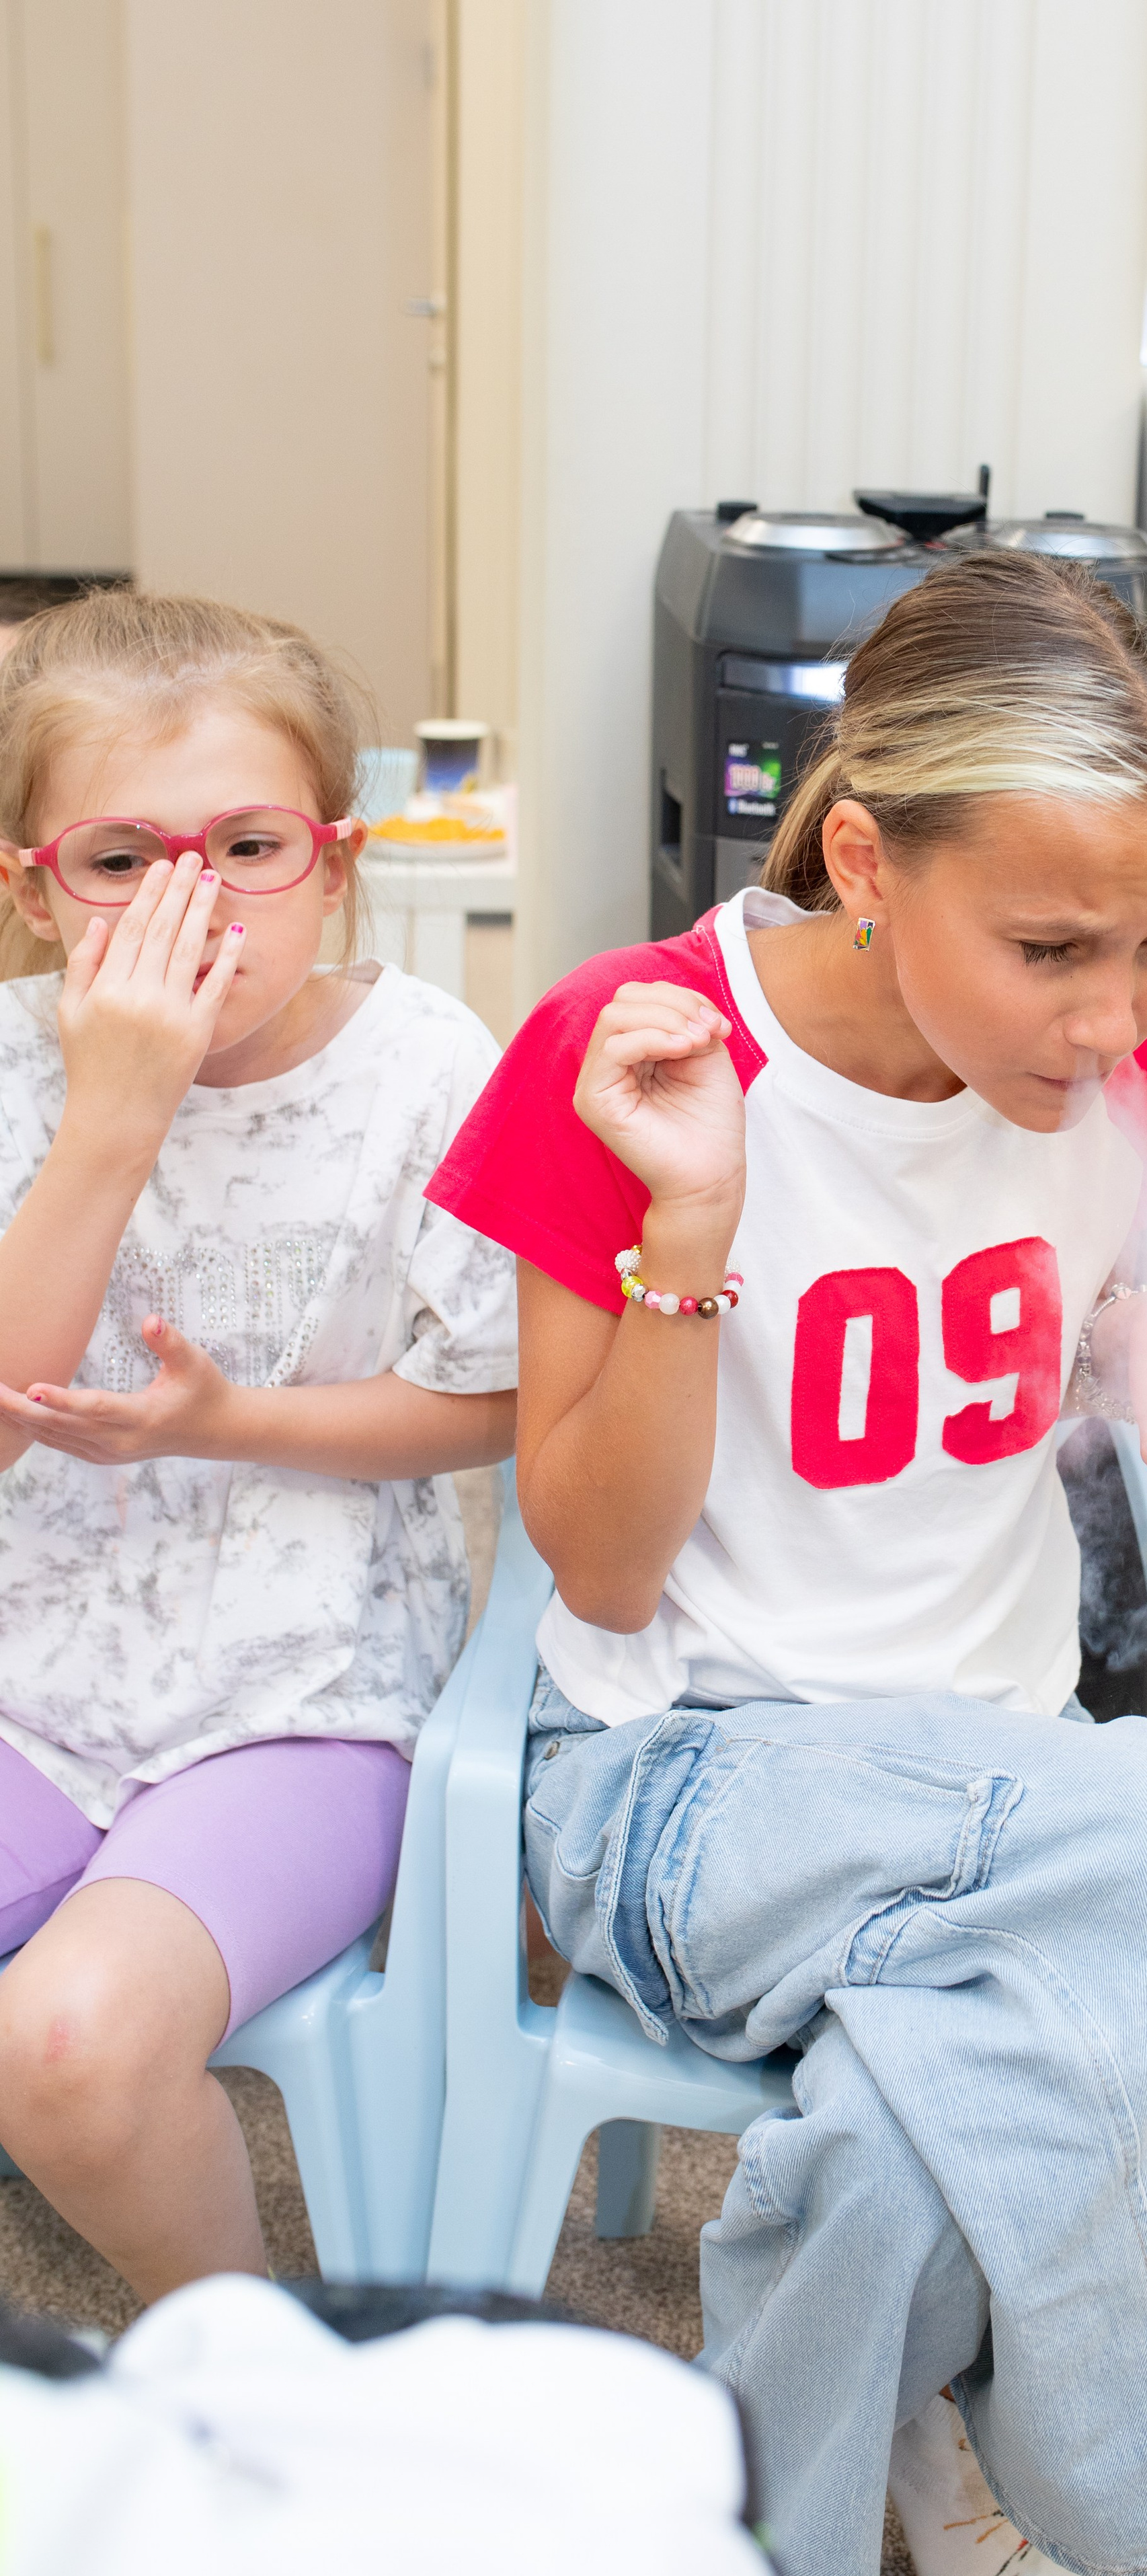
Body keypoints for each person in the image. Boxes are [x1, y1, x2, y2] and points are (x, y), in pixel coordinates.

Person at [429, 551, 1147, 2576]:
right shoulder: (629, 1049)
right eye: (1056, 945)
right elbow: (612, 1575)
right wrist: (693, 1220)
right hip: (680, 1771)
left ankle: (762, 2538)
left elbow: (1095, 1287)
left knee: (904, 2160)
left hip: (983, 1780)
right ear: (862, 858)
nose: (1119, 1017)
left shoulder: (1125, 1053)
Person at [0, 593, 517, 2302]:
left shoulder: (427, 1071)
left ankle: (244, 2363)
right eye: (121, 860)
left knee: (67, 2044)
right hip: (28, 1675)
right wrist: (113, 1118)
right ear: (28, 884)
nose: (194, 903)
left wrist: (237, 1420)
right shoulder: (17, 1072)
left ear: (338, 859)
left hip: (306, 1697)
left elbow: (502, 1397)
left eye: (248, 842)